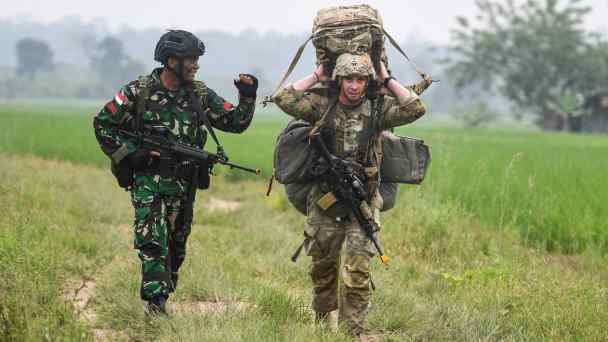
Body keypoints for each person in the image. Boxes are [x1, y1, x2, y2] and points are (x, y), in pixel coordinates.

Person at [93, 29, 257, 315]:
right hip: (149, 180)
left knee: (176, 246)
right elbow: (103, 124)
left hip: (184, 183)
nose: (196, 65)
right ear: (171, 61)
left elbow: (235, 122)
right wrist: (132, 155)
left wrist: (248, 96)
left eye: (196, 59)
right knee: (153, 239)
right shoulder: (138, 91)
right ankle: (156, 306)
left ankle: (164, 291)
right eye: (190, 59)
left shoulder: (200, 94)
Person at [272, 53, 430, 337]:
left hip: (363, 201)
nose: (354, 86)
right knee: (323, 269)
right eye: (348, 79)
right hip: (325, 200)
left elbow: (416, 108)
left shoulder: (377, 111)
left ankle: (351, 333)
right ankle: (321, 329)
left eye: (360, 79)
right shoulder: (322, 107)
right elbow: (283, 98)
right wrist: (318, 75)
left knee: (357, 273)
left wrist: (387, 79)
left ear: (367, 82)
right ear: (339, 80)